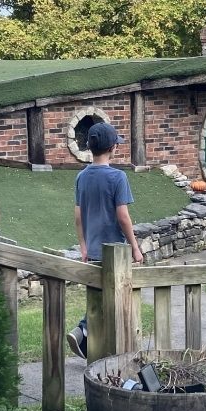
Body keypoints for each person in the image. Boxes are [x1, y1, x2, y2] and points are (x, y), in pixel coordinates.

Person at [67, 121, 143, 359]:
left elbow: (78, 216)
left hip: (93, 250)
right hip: (115, 252)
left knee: (98, 297)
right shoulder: (118, 177)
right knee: (116, 300)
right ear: (113, 148)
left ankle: (89, 340)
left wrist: (83, 246)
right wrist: (135, 248)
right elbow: (123, 216)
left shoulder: (81, 177)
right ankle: (87, 332)